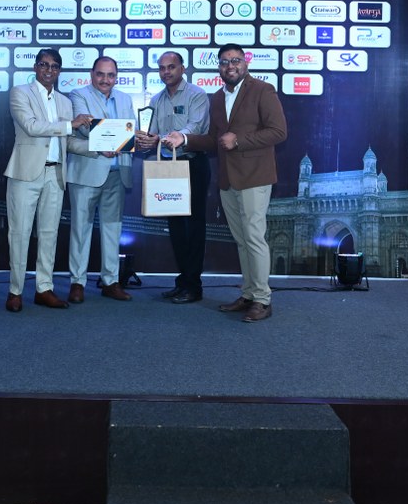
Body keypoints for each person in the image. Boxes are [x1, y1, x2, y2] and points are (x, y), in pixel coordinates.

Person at [165, 44, 287, 322]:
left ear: (245, 63)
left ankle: (263, 299)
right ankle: (249, 294)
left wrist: (239, 140)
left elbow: (279, 132)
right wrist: (184, 139)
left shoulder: (263, 90)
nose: (230, 66)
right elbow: (214, 140)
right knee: (242, 240)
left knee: (254, 238)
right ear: (218, 67)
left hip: (255, 176)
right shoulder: (218, 97)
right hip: (228, 179)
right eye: (224, 62)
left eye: (235, 60)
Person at [3, 49, 92, 312]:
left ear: (59, 71)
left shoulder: (64, 102)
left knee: (49, 234)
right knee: (19, 234)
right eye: (44, 64)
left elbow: (69, 142)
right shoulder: (20, 93)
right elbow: (32, 127)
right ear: (35, 67)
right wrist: (70, 125)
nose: (49, 70)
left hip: (56, 174)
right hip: (25, 173)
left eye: (54, 66)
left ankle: (44, 288)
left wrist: (99, 148)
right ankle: (15, 290)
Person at [135, 51, 211, 304]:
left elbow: (194, 128)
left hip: (192, 164)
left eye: (171, 67)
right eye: (162, 68)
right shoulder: (156, 99)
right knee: (176, 227)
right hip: (169, 167)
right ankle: (183, 282)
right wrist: (145, 139)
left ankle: (194, 286)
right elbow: (152, 132)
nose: (166, 72)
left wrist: (164, 137)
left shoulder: (196, 95)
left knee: (194, 227)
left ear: (182, 69)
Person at [66, 56, 135, 303]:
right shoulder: (78, 94)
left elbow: (130, 131)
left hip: (118, 172)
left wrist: (138, 137)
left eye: (111, 75)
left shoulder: (125, 99)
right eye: (100, 74)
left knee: (112, 229)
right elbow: (84, 126)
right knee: (80, 229)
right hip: (87, 172)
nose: (105, 80)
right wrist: (105, 140)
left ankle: (110, 281)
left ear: (116, 77)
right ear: (92, 74)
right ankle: (77, 282)